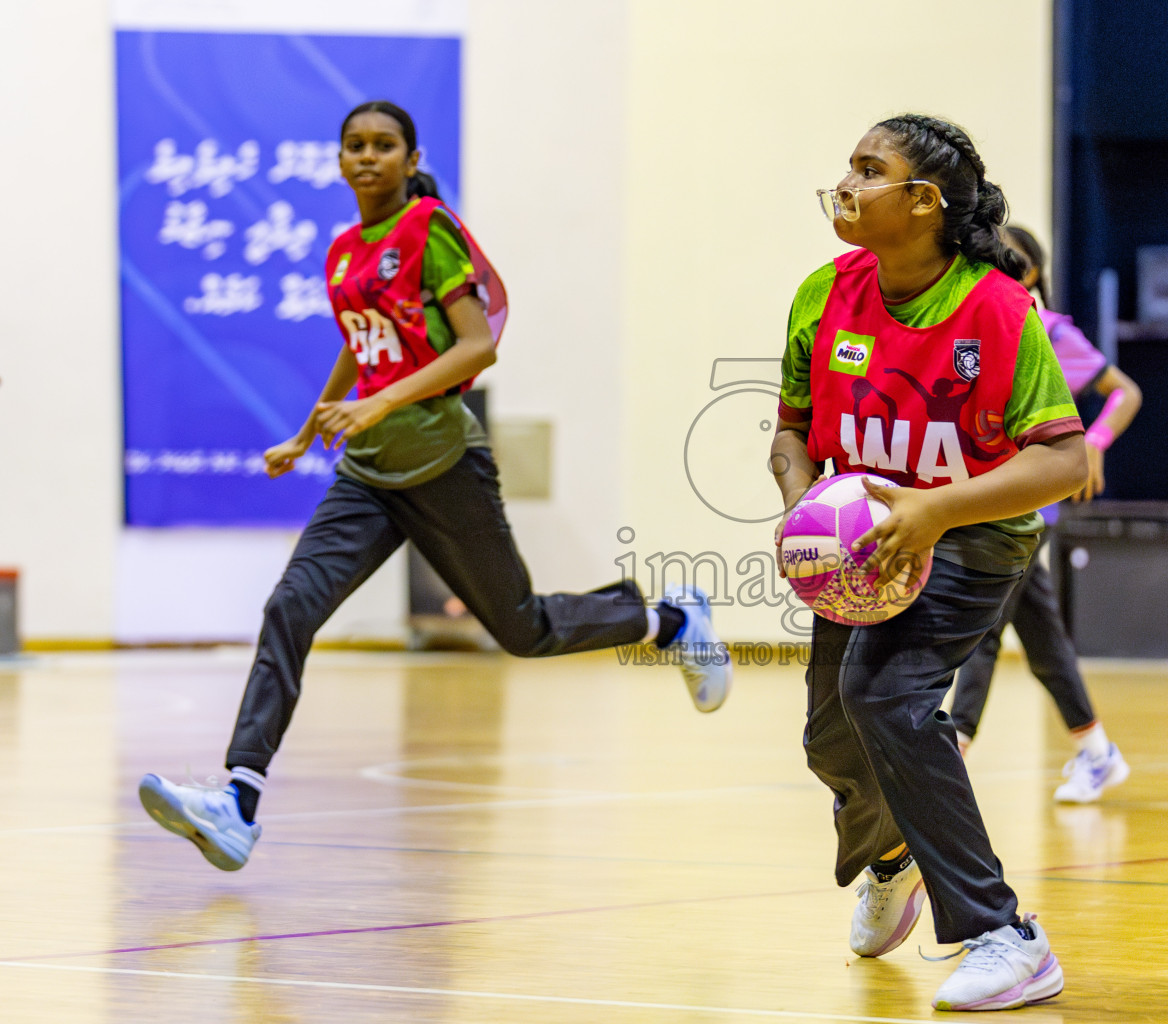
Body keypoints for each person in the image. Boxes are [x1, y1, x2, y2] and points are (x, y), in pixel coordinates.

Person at [139, 101, 730, 872]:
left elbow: (476, 348)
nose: (367, 157)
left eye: (384, 145)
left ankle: (669, 619)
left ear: (410, 158)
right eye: (354, 145)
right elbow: (361, 346)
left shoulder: (430, 231)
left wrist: (382, 401)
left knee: (524, 630)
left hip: (445, 464)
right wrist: (308, 428)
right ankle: (238, 801)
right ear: (340, 159)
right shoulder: (344, 250)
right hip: (368, 474)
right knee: (291, 606)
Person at [771, 114, 1088, 1011]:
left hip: (973, 540)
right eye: (850, 164)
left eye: (870, 170)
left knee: (885, 698)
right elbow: (791, 428)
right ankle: (890, 859)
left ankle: (1004, 935)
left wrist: (933, 510)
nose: (848, 181)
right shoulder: (822, 292)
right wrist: (803, 496)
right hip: (863, 546)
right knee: (831, 736)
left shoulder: (996, 308)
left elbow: (1063, 460)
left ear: (923, 202)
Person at [948, 226, 1141, 803]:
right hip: (982, 501)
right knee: (1041, 637)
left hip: (1024, 509)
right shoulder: (973, 330)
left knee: (982, 629)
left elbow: (1124, 391)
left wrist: (1097, 441)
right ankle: (1097, 751)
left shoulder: (1052, 332)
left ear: (1029, 273)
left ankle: (952, 748)